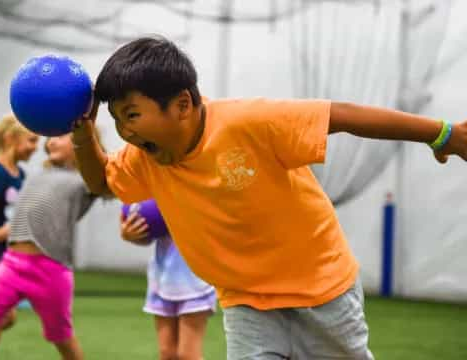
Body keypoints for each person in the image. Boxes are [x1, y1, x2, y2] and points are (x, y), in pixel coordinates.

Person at [71, 36, 467, 359]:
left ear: (182, 105)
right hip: (246, 300)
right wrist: (83, 133)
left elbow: (343, 116)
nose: (124, 131)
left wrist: (442, 133)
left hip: (321, 290)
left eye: (132, 115)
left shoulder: (250, 122)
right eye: (117, 120)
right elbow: (103, 183)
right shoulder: (144, 159)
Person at [0, 132, 103, 360]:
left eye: (61, 136)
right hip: (11, 265)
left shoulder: (87, 180)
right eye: (51, 137)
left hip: (51, 271)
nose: (51, 141)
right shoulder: (35, 176)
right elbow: (17, 223)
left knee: (61, 336)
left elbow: (111, 184)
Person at [121, 201, 216, 360]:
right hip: (162, 280)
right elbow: (149, 233)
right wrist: (129, 235)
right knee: (167, 354)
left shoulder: (200, 193)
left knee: (187, 355)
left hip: (196, 282)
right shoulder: (157, 188)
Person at [0, 113, 39, 329]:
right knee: (1, 314)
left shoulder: (20, 175)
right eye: (32, 140)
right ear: (10, 139)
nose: (35, 147)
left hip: (4, 250)